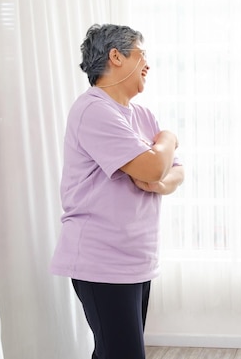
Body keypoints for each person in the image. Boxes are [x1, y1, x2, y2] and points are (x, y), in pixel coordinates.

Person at [50, 24, 184, 359]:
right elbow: (157, 164)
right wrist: (169, 138)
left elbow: (174, 171)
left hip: (136, 259)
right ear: (116, 56)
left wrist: (158, 180)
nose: (148, 65)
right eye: (142, 54)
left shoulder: (141, 114)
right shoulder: (94, 109)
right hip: (102, 261)